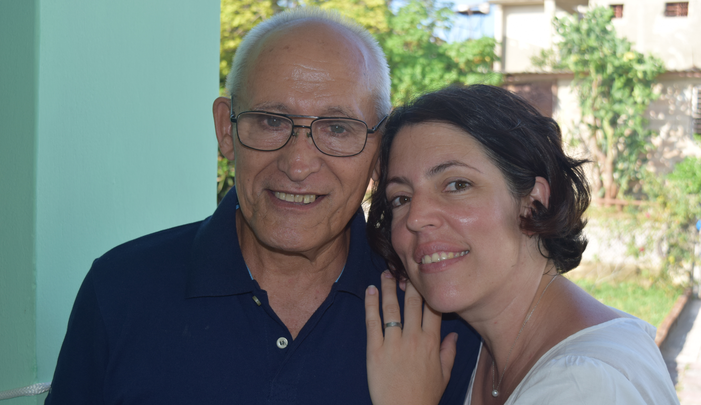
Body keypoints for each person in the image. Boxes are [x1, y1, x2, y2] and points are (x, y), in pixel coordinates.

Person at [44, 8, 480, 404]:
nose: (298, 165)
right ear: (226, 130)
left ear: (380, 152)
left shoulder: (437, 314)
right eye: (271, 121)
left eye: (337, 128)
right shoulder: (121, 291)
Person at [364, 85, 679, 404]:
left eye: (457, 185)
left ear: (533, 202)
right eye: (401, 198)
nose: (416, 218)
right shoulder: (487, 351)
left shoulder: (584, 386)